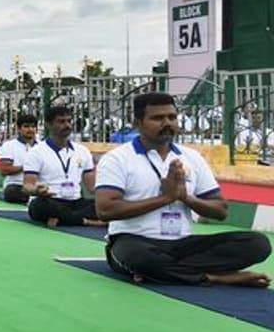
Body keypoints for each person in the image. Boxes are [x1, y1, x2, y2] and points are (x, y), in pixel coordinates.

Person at [96, 92, 270, 286]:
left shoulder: (192, 157)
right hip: (134, 240)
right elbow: (105, 210)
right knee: (140, 259)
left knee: (257, 244)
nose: (167, 123)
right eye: (157, 118)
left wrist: (186, 198)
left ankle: (169, 272)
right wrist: (165, 199)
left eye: (172, 117)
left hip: (182, 243)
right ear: (138, 123)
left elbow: (221, 210)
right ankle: (215, 277)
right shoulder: (117, 158)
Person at [22, 106, 103, 228]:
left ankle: (65, 219)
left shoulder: (82, 151)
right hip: (51, 200)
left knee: (103, 205)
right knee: (40, 206)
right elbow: (27, 186)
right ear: (48, 125)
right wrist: (37, 190)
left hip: (76, 202)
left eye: (69, 121)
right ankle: (87, 221)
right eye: (61, 121)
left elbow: (92, 187)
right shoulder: (36, 152)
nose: (67, 125)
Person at [0, 114, 38, 205]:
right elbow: (4, 170)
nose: (30, 129)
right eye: (26, 126)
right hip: (17, 185)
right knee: (12, 192)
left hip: (38, 185)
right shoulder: (9, 146)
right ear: (19, 129)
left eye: (33, 127)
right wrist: (27, 167)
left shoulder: (42, 147)